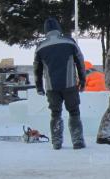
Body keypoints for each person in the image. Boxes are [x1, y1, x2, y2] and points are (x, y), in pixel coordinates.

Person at [33, 17, 86, 150]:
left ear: (46, 31)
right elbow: (80, 62)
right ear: (58, 29)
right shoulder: (69, 42)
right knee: (74, 112)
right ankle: (77, 141)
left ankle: (56, 142)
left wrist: (39, 87)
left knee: (55, 113)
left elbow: (37, 69)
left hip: (52, 87)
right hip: (70, 85)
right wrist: (83, 80)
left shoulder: (40, 47)